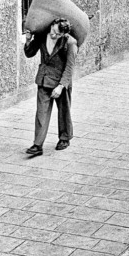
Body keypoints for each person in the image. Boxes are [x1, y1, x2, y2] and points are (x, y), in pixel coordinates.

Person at [24, 18, 77, 156]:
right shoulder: (41, 36)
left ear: (64, 34)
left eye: (58, 34)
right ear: (52, 25)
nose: (54, 35)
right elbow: (29, 53)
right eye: (53, 31)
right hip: (44, 79)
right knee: (41, 113)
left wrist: (60, 86)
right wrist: (28, 40)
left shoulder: (70, 43)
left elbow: (70, 67)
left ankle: (65, 138)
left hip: (61, 81)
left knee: (64, 111)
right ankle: (37, 145)